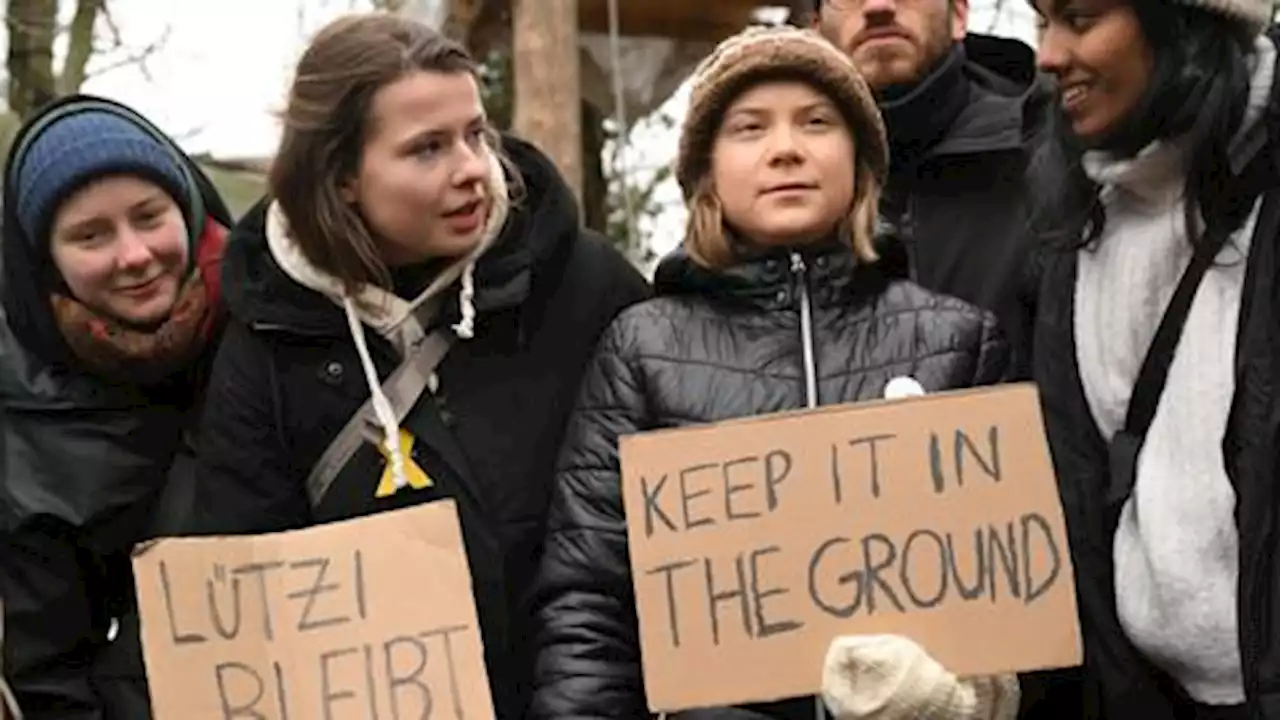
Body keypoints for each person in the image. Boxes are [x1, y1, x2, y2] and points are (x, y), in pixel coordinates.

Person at [529, 25, 1018, 720]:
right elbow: (588, 599)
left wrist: (973, 698)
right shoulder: (640, 350)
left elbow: (1018, 593)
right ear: (706, 173)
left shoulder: (959, 341)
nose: (786, 148)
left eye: (817, 123)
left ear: (859, 160)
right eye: (749, 128)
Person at [183, 12, 649, 719]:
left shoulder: (587, 285)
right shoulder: (264, 346)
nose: (471, 168)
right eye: (427, 148)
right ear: (341, 176)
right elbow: (244, 587)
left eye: (474, 133)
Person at [1030, 0, 1280, 717]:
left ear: (1187, 25)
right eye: (1041, 21)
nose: (1048, 56)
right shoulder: (1074, 237)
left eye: (1079, 17)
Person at [0, 94, 234, 719]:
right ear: (44, 259)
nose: (134, 256)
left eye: (149, 216)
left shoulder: (280, 331)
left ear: (185, 206)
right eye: (90, 235)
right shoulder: (18, 412)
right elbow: (42, 670)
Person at [812, 0, 1052, 377]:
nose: (878, 6)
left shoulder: (1053, 159)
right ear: (816, 34)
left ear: (959, 15)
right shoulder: (772, 197)